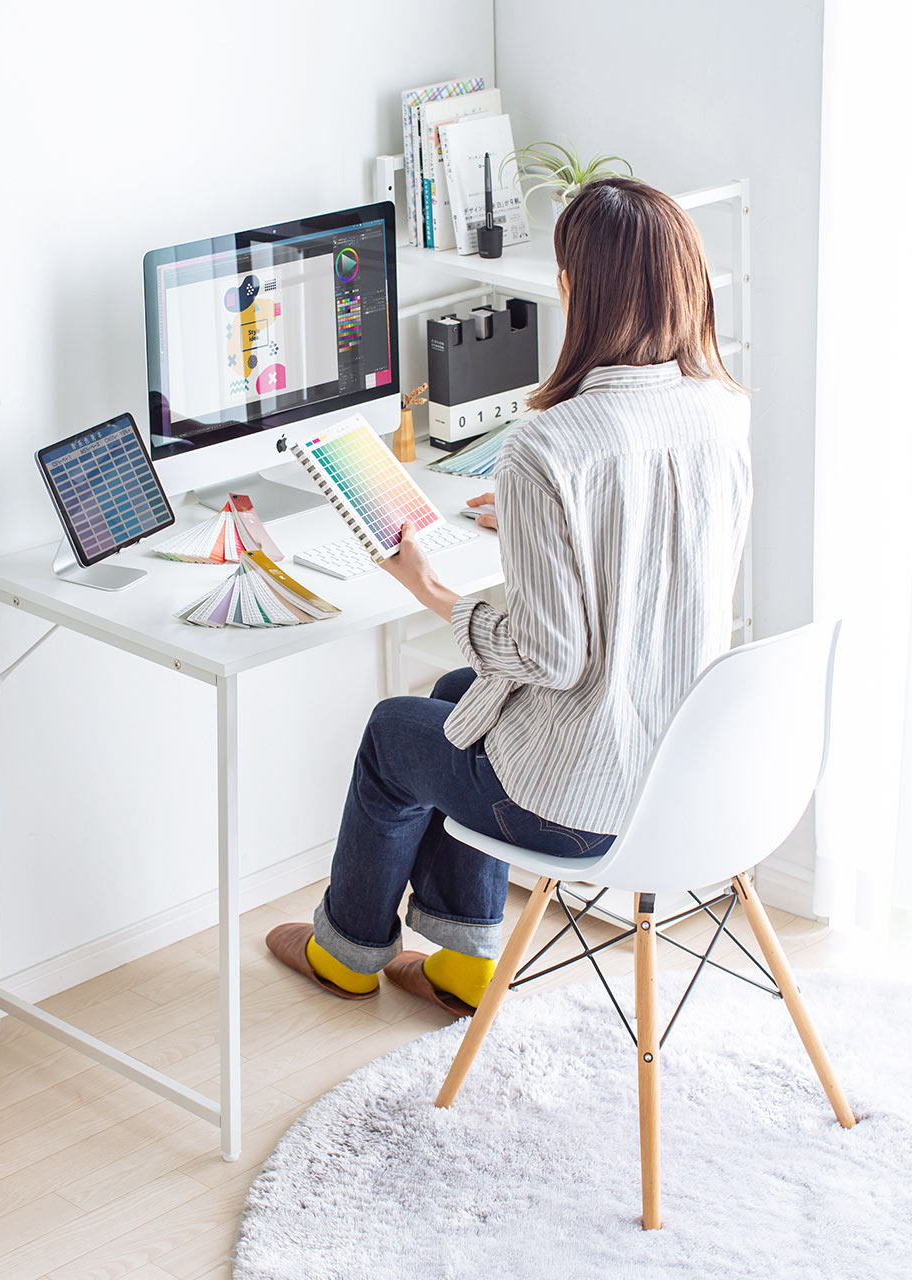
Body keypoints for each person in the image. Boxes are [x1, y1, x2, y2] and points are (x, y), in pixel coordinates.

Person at [267, 177, 753, 1015]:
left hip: (591, 808)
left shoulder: (546, 444)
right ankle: (462, 962)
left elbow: (551, 658)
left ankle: (346, 954)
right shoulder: (720, 409)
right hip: (688, 776)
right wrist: (544, 530)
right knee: (459, 696)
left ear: (574, 289)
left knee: (394, 733)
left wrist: (430, 587)